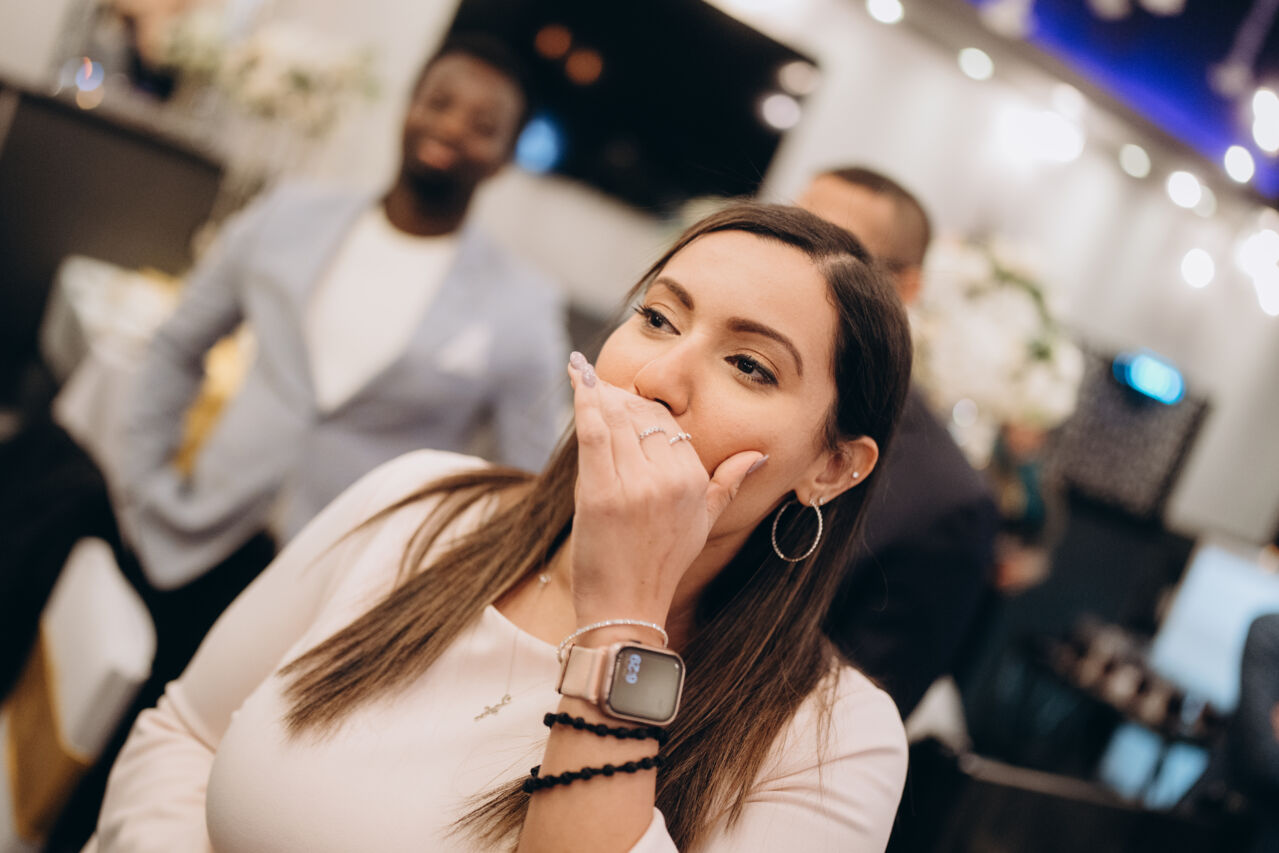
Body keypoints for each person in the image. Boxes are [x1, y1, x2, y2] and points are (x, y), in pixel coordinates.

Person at [91, 203, 914, 852]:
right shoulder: (418, 504)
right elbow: (185, 735)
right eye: (658, 319)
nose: (657, 377)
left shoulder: (833, 739)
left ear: (831, 465)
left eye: (749, 366)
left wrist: (624, 619)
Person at [120, 34, 568, 597]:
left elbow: (529, 483)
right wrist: (143, 482)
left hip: (350, 593)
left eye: (483, 126)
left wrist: (435, 594)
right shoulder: (288, 215)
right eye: (439, 103)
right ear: (408, 107)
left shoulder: (523, 306)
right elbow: (176, 347)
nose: (452, 128)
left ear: (504, 158)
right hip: (191, 543)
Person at [798, 166, 998, 719]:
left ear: (904, 288)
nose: (791, 263)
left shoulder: (946, 501)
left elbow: (850, 723)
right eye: (787, 231)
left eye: (831, 251)